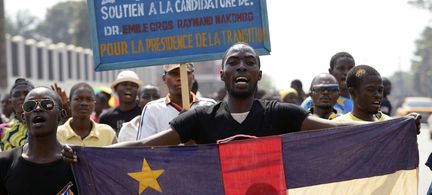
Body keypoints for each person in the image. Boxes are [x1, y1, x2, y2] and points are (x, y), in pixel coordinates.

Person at [111, 43, 359, 146]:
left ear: (258, 74)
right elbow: (144, 145)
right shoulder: (200, 118)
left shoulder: (282, 114)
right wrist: (81, 152)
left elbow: (337, 131)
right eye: (234, 62)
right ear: (222, 74)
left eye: (249, 62)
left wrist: (397, 127)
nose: (241, 66)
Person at [0, 87, 78, 194]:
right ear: (23, 117)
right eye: (30, 106)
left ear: (62, 114)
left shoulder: (76, 164)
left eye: (47, 104)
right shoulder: (5, 163)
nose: (37, 109)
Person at [136, 63, 216, 140]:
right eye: (174, 74)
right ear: (164, 78)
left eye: (185, 73)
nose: (180, 78)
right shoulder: (152, 109)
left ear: (193, 77)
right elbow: (145, 150)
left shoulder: (209, 106)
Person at [57, 82, 117, 147]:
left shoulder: (108, 133)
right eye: (78, 99)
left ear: (94, 104)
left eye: (89, 99)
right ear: (69, 103)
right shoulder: (56, 134)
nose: (84, 103)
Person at [100, 70, 143, 134]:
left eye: (133, 85)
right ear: (115, 89)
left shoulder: (143, 114)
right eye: (124, 84)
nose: (129, 87)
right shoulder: (106, 117)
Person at [0, 78, 34, 151]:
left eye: (27, 93)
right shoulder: (2, 130)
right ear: (11, 101)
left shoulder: (46, 126)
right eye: (17, 95)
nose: (22, 97)